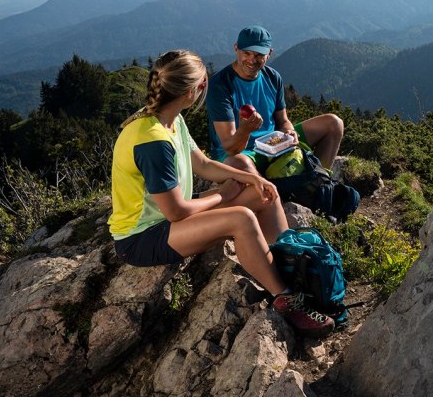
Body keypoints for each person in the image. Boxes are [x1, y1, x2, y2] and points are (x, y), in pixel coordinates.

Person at [109, 49, 333, 337]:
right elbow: (175, 212)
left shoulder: (171, 120)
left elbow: (202, 163)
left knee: (261, 195)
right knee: (241, 218)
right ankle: (287, 300)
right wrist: (222, 196)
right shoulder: (151, 140)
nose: (205, 88)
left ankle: (287, 263)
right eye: (203, 84)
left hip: (170, 220)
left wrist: (250, 179)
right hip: (141, 238)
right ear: (191, 91)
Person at [206, 26, 344, 175]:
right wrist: (245, 131)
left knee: (333, 123)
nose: (252, 60)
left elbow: (282, 120)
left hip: (273, 144)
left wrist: (289, 132)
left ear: (269, 53)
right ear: (236, 49)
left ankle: (318, 181)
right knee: (239, 163)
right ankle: (269, 191)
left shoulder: (272, 77)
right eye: (247, 53)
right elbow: (229, 147)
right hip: (240, 154)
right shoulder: (220, 85)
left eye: (259, 55)